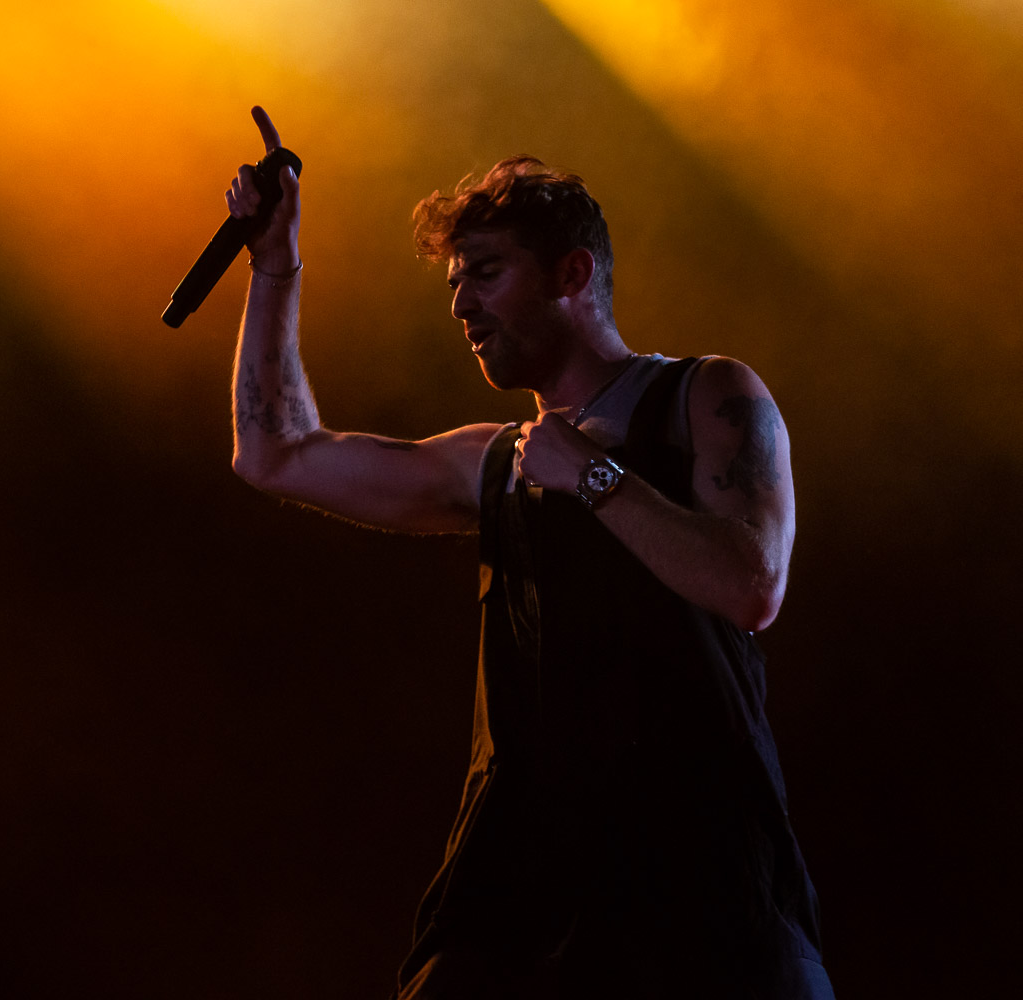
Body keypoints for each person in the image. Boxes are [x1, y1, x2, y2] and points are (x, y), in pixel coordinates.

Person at [225, 106, 833, 999]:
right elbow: (274, 454)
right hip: (520, 898)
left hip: (703, 894)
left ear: (571, 274)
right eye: (454, 283)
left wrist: (592, 475)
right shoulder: (497, 462)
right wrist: (276, 262)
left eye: (486, 273)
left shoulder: (703, 396)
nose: (462, 305)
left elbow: (751, 585)